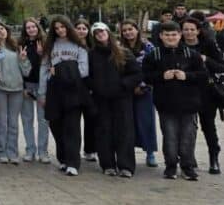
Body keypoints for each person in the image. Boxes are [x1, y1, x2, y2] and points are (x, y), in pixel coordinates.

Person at [142, 21, 206, 180]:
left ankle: (187, 166)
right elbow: (145, 76)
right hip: (166, 103)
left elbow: (203, 76)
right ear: (161, 36)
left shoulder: (192, 54)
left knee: (187, 137)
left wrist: (187, 76)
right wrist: (161, 77)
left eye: (174, 34)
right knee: (169, 136)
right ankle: (170, 165)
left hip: (189, 103)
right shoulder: (154, 55)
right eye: (167, 35)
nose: (171, 38)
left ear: (180, 35)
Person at [38, 15, 89, 177]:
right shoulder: (50, 46)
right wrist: (42, 93)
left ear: (68, 26)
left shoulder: (78, 45)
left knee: (72, 127)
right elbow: (44, 70)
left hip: (74, 91)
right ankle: (63, 159)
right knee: (56, 125)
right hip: (54, 91)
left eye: (63, 27)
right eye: (57, 28)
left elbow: (84, 70)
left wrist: (60, 70)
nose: (60, 30)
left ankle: (73, 162)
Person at [87, 22, 141, 178]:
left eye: (102, 32)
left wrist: (123, 85)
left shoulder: (123, 52)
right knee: (104, 132)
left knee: (124, 132)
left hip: (122, 99)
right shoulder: (92, 55)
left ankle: (126, 166)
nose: (100, 35)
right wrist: (96, 87)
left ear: (108, 32)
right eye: (96, 33)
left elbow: (136, 74)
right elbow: (87, 76)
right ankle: (108, 164)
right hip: (101, 100)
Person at [180, 17, 224, 174]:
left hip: (206, 91)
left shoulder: (208, 45)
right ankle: (188, 159)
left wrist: (207, 59)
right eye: (185, 29)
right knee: (186, 128)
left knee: (208, 127)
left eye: (192, 29)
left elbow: (222, 67)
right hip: (185, 91)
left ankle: (214, 157)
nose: (189, 32)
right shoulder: (178, 46)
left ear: (198, 31)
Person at [0, 21, 30, 165]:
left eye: (3, 29)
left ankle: (12, 152)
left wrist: (23, 60)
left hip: (16, 89)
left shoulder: (16, 46)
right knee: (1, 122)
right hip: (0, 89)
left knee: (13, 122)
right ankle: (1, 152)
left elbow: (26, 71)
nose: (2, 32)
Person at [119, 20, 159, 168]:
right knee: (127, 124)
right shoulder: (119, 47)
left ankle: (150, 153)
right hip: (125, 91)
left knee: (146, 122)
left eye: (131, 29)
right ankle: (127, 154)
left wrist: (143, 86)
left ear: (137, 30)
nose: (128, 32)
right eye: (125, 30)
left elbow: (153, 69)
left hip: (144, 90)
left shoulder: (148, 47)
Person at [18, 18, 49, 163]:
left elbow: (49, 66)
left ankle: (43, 151)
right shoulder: (21, 45)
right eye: (28, 27)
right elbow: (21, 69)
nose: (31, 29)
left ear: (38, 27)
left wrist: (41, 54)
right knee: (27, 120)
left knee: (43, 120)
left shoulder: (46, 43)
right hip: (27, 86)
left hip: (42, 86)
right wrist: (24, 86)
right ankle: (30, 150)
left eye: (33, 27)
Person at [73, 19, 97, 162]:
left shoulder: (93, 47)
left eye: (84, 28)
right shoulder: (70, 45)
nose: (81, 30)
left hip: (90, 88)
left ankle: (90, 149)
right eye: (78, 28)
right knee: (74, 122)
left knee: (91, 120)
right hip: (75, 86)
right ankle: (74, 150)